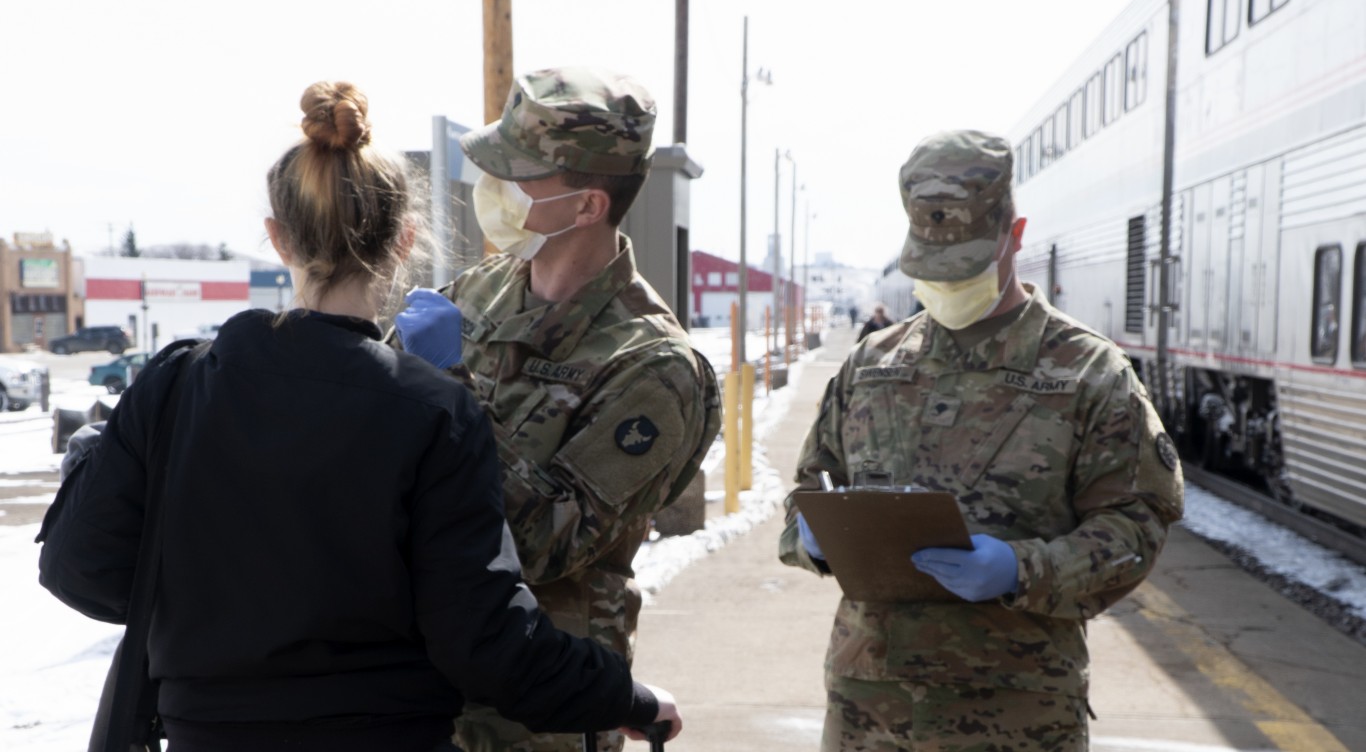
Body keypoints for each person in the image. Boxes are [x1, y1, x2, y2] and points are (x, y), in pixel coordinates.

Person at [36, 80, 681, 752]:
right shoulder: (432, 407)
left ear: (277, 239)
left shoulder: (176, 383)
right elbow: (484, 640)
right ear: (404, 241)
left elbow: (82, 568)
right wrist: (623, 696)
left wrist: (215, 606)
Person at [779, 129, 1184, 750]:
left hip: (1015, 714)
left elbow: (1138, 526)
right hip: (869, 708)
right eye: (929, 269)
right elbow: (812, 483)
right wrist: (812, 535)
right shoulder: (873, 363)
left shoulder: (1087, 372)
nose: (944, 284)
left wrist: (1022, 569)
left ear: (1014, 238)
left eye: (963, 266)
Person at [392, 67, 720, 752]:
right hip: (416, 691)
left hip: (535, 719)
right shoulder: (476, 291)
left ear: (587, 206)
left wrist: (451, 388)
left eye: (517, 176)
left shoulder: (654, 366)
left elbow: (543, 542)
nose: (494, 189)